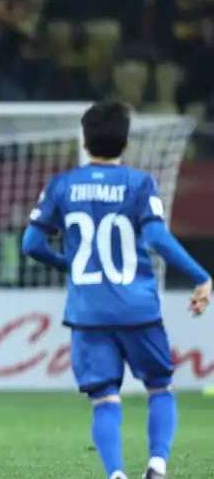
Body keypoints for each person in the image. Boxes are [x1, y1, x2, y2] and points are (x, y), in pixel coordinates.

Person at [22, 101, 212, 479]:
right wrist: (201, 276)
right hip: (137, 308)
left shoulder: (61, 185)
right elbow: (156, 237)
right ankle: (156, 466)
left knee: (104, 399)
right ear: (126, 141)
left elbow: (31, 245)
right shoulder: (140, 184)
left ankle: (116, 474)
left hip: (88, 312)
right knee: (160, 387)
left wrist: (72, 266)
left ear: (84, 139)